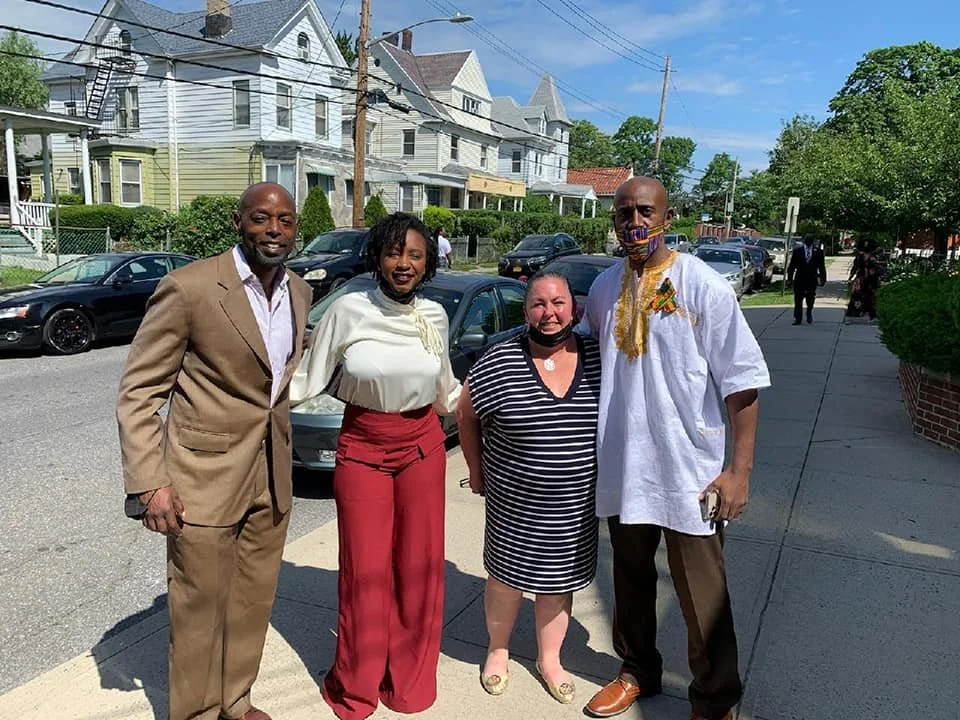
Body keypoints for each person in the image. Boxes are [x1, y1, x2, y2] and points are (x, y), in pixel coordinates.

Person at [117, 183, 313, 720]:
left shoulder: (299, 291)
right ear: (238, 222)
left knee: (251, 602)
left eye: (285, 220)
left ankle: (236, 700)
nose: (274, 230)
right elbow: (139, 393)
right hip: (201, 476)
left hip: (271, 473)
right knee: (198, 608)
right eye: (261, 218)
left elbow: (276, 381)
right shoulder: (190, 288)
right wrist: (149, 482)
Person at [577, 177, 770, 720]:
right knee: (631, 580)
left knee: (703, 595)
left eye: (645, 211)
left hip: (691, 470)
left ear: (667, 216)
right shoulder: (603, 288)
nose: (633, 223)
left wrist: (739, 471)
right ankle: (638, 669)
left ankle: (715, 700)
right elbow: (588, 361)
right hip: (623, 464)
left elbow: (743, 384)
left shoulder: (702, 285)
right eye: (623, 213)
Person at [290, 212, 461, 720]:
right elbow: (307, 378)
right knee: (364, 571)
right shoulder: (347, 310)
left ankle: (409, 684)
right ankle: (358, 686)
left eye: (414, 254)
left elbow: (445, 389)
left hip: (422, 446)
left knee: (418, 568)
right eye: (393, 252)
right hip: (364, 445)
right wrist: (249, 407)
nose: (403, 263)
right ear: (377, 257)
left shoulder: (435, 316)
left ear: (428, 261)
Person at [457, 270, 601, 705]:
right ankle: (497, 651)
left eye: (558, 303)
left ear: (573, 307)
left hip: (575, 506)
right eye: (539, 304)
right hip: (512, 504)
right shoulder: (499, 360)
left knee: (558, 584)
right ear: (527, 312)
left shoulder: (597, 357)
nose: (549, 313)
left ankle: (549, 660)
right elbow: (466, 415)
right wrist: (476, 470)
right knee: (505, 581)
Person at [787, 234, 827, 325]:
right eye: (807, 240)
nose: (808, 242)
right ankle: (798, 318)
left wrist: (823, 278)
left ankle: (809, 312)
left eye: (810, 240)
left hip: (812, 279)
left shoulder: (818, 252)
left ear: (813, 242)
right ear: (804, 241)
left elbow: (821, 267)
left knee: (810, 298)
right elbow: (792, 266)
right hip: (799, 278)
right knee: (798, 299)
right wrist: (789, 279)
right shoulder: (797, 251)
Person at [846, 238, 880, 323]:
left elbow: (877, 269)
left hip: (871, 281)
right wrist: (850, 277)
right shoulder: (859, 257)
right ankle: (851, 316)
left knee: (871, 298)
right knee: (856, 297)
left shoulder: (873, 257)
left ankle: (873, 316)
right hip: (860, 280)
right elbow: (854, 268)